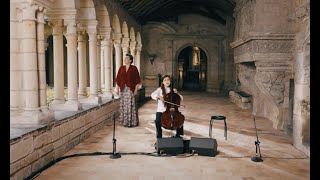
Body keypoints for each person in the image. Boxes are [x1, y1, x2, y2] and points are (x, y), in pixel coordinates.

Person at [115, 53, 141, 127]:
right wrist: (117, 89)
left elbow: (137, 80)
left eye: (126, 58)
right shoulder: (121, 68)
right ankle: (124, 122)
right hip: (123, 89)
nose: (125, 59)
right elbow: (118, 79)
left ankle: (131, 122)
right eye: (124, 58)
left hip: (131, 89)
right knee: (123, 105)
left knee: (130, 105)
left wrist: (136, 89)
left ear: (130, 60)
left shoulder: (134, 68)